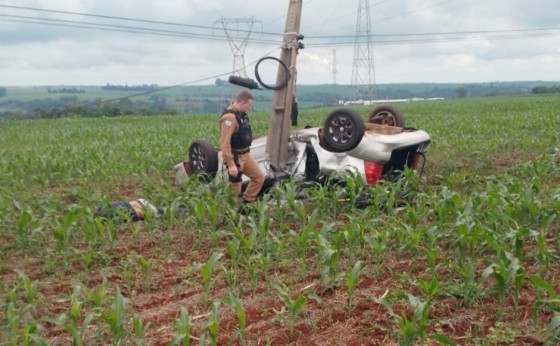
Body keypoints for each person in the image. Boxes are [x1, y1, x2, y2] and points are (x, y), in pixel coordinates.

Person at [219, 90, 265, 208]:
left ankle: (246, 205)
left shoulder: (241, 115)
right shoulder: (229, 118)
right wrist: (231, 164)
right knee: (235, 187)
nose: (250, 108)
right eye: (249, 105)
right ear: (243, 103)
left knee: (259, 177)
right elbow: (225, 143)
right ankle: (230, 214)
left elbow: (243, 133)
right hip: (235, 157)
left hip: (246, 154)